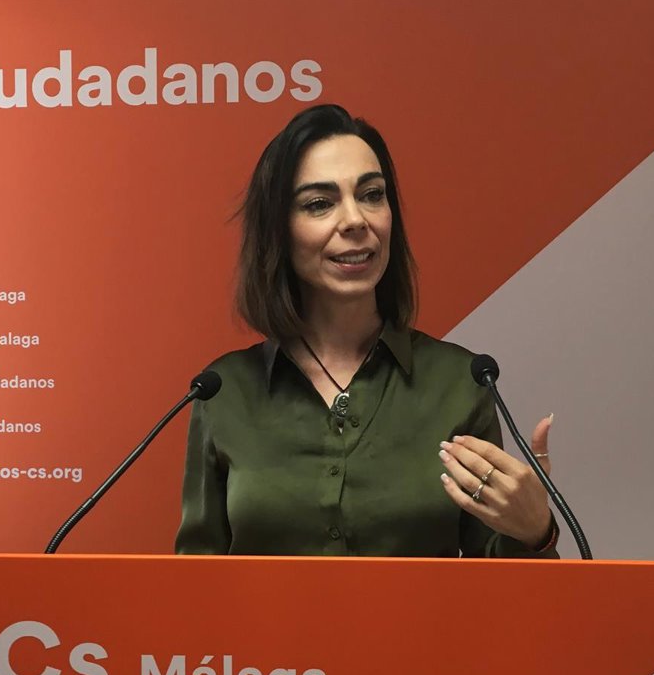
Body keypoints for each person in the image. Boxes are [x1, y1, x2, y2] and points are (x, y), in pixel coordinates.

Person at [175, 104, 558, 558]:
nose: (356, 220)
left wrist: (534, 531)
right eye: (320, 203)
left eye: (372, 195)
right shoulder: (222, 393)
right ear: (279, 230)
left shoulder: (460, 383)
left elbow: (497, 589)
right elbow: (193, 582)